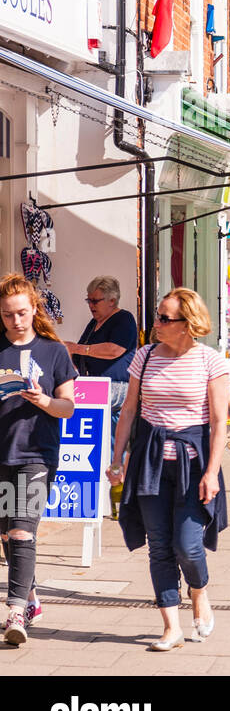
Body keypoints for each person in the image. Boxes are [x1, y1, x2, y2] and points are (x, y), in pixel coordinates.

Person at [108, 288, 230, 651]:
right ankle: (171, 626)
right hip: (150, 462)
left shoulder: (210, 361)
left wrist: (212, 472)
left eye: (165, 318)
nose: (157, 323)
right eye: (158, 315)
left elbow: (218, 423)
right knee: (160, 547)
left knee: (188, 546)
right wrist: (118, 458)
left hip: (192, 464)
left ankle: (198, 589)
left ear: (188, 324)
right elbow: (129, 412)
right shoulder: (145, 356)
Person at [0, 275, 76, 645]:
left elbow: (68, 406)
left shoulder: (53, 351)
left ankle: (14, 611)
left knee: (22, 530)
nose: (16, 321)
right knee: (5, 533)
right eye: (8, 314)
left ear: (34, 310)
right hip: (2, 453)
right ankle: (29, 597)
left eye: (22, 313)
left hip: (36, 454)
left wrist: (44, 400)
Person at [66, 276, 138, 440]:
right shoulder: (93, 323)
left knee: (110, 442)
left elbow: (114, 349)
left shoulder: (123, 318)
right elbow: (78, 353)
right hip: (93, 387)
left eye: (95, 301)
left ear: (112, 301)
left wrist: (76, 348)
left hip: (115, 387)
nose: (91, 306)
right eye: (88, 300)